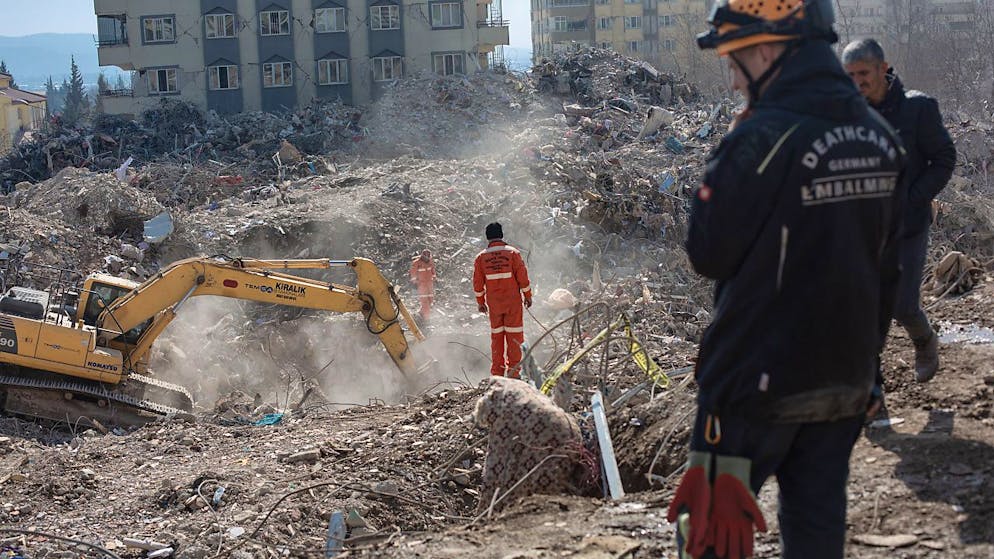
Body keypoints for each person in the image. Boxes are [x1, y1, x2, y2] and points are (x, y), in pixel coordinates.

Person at [666, 0, 905, 558]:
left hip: (754, 388)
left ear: (769, 47)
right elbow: (885, 269)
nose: (730, 77)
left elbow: (707, 252)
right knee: (817, 535)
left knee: (709, 541)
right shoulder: (879, 134)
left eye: (735, 58)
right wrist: (868, 368)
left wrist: (727, 157)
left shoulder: (761, 135)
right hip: (844, 379)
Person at [842, 38, 956, 383]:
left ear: (883, 68)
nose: (857, 82)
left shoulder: (918, 109)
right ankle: (870, 388)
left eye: (864, 73)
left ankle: (924, 340)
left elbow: (944, 158)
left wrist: (914, 197)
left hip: (908, 226)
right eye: (850, 75)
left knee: (903, 305)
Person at [472, 222, 532, 378]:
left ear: (487, 237)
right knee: (514, 337)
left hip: (495, 306)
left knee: (497, 338)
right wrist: (528, 296)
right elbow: (523, 278)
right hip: (513, 304)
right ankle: (513, 373)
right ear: (501, 234)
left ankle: (497, 374)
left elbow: (478, 283)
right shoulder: (513, 253)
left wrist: (480, 302)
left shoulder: (481, 257)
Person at [409, 249, 436, 324]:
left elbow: (433, 271)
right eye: (425, 257)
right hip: (422, 285)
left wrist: (434, 278)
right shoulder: (416, 263)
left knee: (430, 300)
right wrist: (415, 282)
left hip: (429, 284)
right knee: (425, 302)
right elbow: (413, 273)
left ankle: (421, 313)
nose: (427, 258)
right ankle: (426, 319)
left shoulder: (430, 262)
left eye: (428, 257)